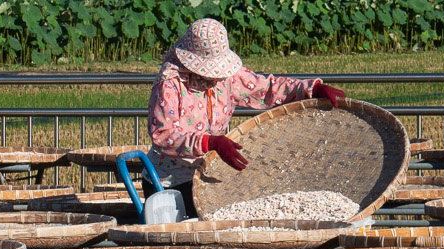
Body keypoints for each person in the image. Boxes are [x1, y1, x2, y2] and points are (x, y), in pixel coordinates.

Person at [146, 18, 346, 208]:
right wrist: (210, 142)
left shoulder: (228, 78)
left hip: (206, 174)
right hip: (170, 182)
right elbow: (163, 134)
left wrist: (310, 89)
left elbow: (266, 88)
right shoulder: (170, 83)